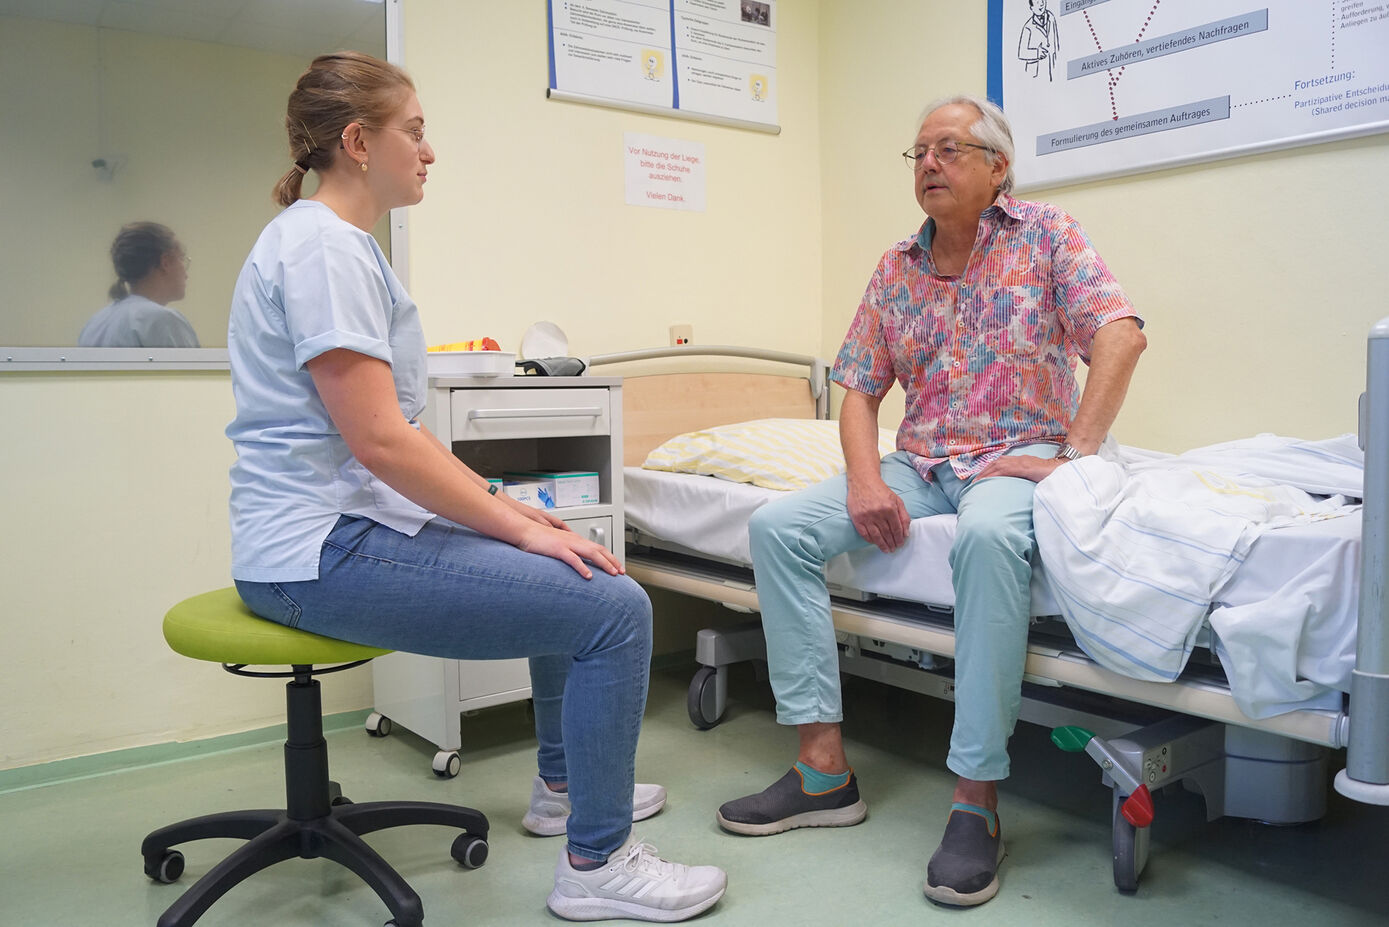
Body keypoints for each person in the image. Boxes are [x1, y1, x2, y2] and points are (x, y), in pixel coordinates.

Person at [225, 52, 726, 922]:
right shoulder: (322, 250)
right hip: (313, 552)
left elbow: (401, 429)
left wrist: (510, 515)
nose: (429, 151)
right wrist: (511, 523)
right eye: (413, 131)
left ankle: (563, 791)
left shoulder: (338, 246)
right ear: (356, 140)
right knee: (615, 606)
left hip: (334, 534)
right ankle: (597, 867)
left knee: (565, 555)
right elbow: (380, 441)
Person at [715, 95, 1146, 908]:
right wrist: (866, 479)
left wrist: (1073, 456)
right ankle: (821, 772)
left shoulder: (1046, 236)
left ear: (997, 168)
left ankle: (974, 800)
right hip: (919, 461)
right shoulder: (895, 268)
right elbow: (854, 386)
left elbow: (1119, 334)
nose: (929, 164)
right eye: (917, 152)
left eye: (949, 148)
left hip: (1012, 461)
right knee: (776, 527)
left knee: (983, 543)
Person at [78, 222, 200, 347]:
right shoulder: (162, 320)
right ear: (166, 262)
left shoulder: (95, 323)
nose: (186, 274)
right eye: (182, 259)